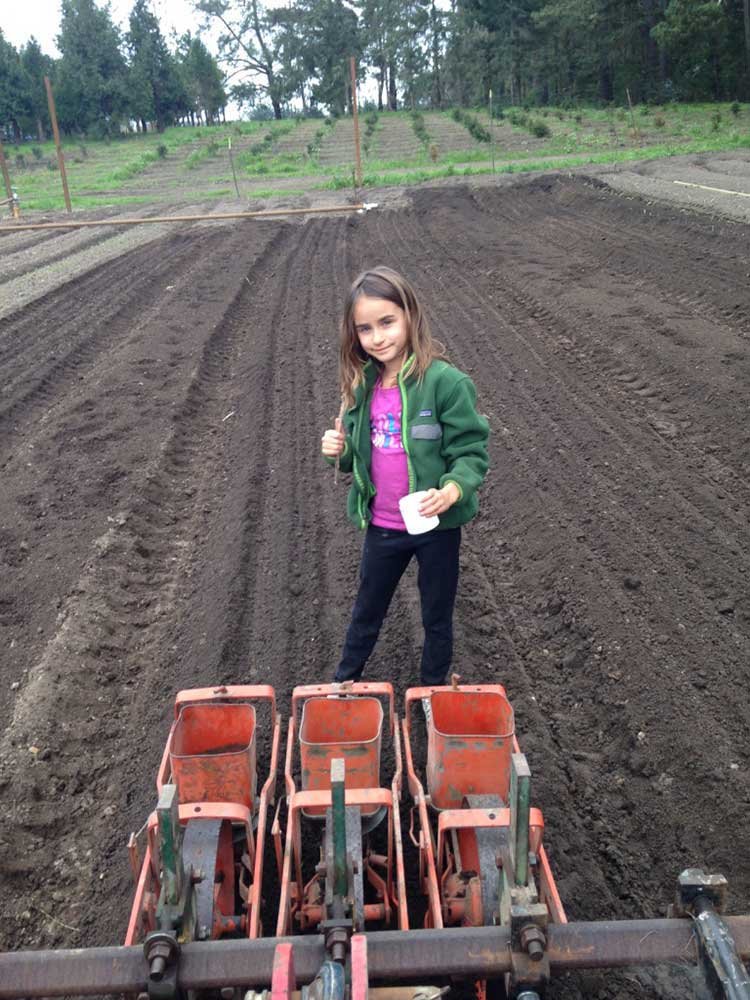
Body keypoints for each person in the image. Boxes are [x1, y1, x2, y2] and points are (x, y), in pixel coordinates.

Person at [321, 266, 490, 688]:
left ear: (410, 315)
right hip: (383, 526)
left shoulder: (445, 383)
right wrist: (338, 453)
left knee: (437, 612)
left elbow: (471, 452)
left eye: (387, 322)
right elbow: (356, 458)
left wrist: (452, 490)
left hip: (436, 526)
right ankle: (344, 683)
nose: (377, 337)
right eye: (365, 328)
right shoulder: (361, 388)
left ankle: (433, 688)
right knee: (367, 608)